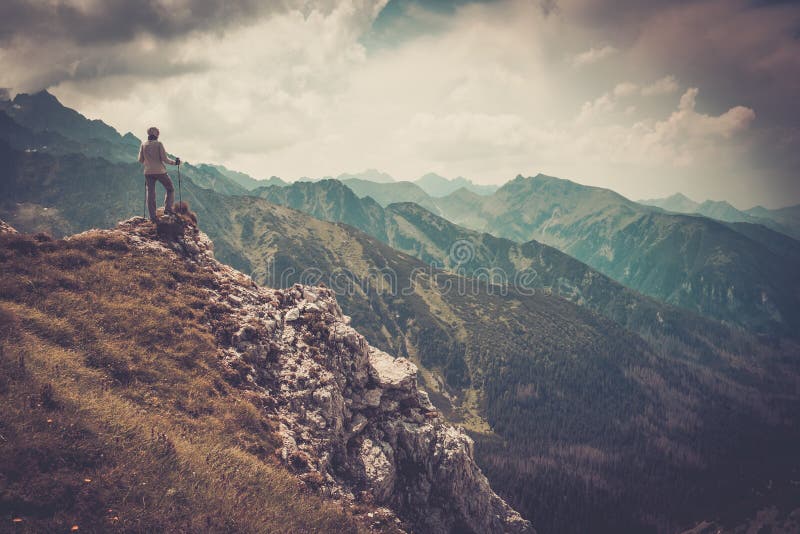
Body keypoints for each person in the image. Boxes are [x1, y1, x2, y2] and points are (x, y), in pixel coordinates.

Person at [138, 126, 180, 222]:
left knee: (151, 193)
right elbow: (165, 159)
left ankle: (152, 216)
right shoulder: (159, 144)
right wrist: (175, 163)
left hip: (148, 172)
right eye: (158, 133)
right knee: (170, 189)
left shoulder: (143, 145)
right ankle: (168, 210)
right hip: (160, 171)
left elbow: (140, 160)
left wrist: (148, 161)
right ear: (156, 134)